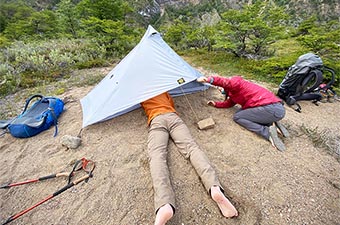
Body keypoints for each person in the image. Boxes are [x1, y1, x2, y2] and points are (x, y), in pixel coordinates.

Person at [141, 92, 238, 225]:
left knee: (157, 156)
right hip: (173, 118)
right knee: (192, 149)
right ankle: (214, 187)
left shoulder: (141, 92)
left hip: (156, 119)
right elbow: (170, 103)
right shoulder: (163, 89)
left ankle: (164, 204)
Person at [197, 75, 289, 152]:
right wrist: (215, 104)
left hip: (270, 108)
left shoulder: (236, 82)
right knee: (242, 112)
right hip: (275, 107)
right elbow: (229, 104)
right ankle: (272, 122)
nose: (220, 89)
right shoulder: (233, 93)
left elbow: (225, 82)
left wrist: (209, 80)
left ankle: (267, 132)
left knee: (238, 117)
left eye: (220, 87)